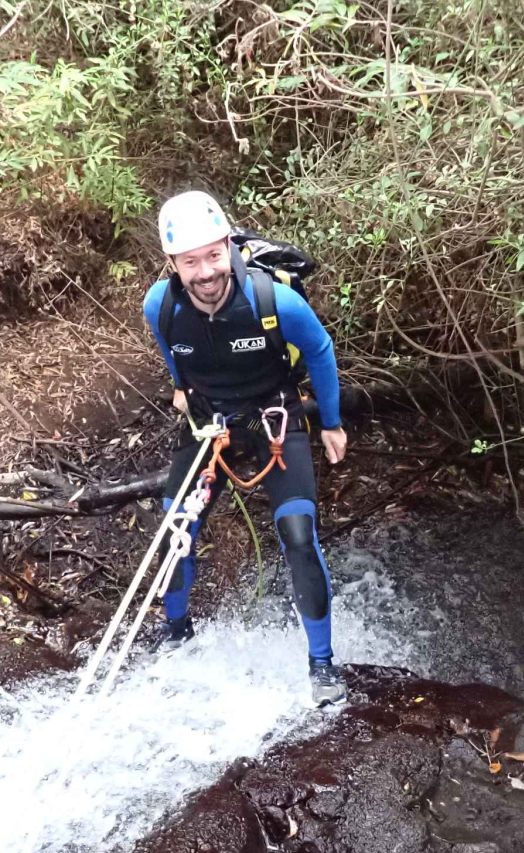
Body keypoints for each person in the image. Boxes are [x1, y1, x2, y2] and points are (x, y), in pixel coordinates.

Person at [142, 191, 350, 705]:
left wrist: (331, 423)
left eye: (214, 255)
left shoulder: (273, 301)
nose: (206, 272)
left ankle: (322, 665)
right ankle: (176, 634)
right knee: (175, 530)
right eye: (191, 262)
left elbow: (320, 351)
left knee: (298, 534)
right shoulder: (160, 306)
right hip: (209, 420)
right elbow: (174, 353)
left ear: (229, 247)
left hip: (274, 415)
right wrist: (181, 389)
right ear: (172, 263)